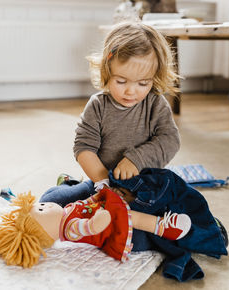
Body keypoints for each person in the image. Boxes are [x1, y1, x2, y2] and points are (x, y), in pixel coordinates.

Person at [40, 21, 180, 207]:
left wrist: (136, 160)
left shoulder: (156, 103)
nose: (131, 91)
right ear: (107, 71)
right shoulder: (98, 106)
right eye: (121, 81)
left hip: (146, 187)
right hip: (103, 183)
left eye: (143, 83)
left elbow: (170, 139)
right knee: (50, 202)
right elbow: (84, 148)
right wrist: (103, 183)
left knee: (177, 213)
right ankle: (69, 184)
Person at [0, 191, 191, 268]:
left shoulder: (66, 212)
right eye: (42, 209)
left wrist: (94, 198)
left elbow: (82, 204)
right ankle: (164, 227)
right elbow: (87, 227)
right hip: (108, 227)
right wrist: (97, 221)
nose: (44, 205)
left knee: (126, 209)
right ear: (46, 231)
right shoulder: (69, 229)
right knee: (130, 216)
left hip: (103, 211)